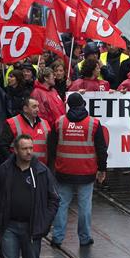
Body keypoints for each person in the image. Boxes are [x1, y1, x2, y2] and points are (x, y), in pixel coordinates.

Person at [0, 134, 60, 258]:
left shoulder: (41, 171)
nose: (29, 152)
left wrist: (45, 221)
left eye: (31, 148)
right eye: (24, 149)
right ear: (15, 150)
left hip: (33, 228)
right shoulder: (4, 171)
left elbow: (54, 199)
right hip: (9, 227)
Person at [48, 93, 108, 247]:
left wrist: (54, 166)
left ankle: (57, 237)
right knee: (85, 206)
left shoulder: (59, 122)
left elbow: (51, 147)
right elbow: (101, 149)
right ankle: (85, 237)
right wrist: (102, 169)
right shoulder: (93, 123)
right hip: (86, 172)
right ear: (83, 104)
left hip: (64, 171)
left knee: (61, 204)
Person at [0, 97, 51, 165]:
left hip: (40, 168)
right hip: (18, 168)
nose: (37, 109)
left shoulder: (45, 124)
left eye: (38, 106)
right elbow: (2, 146)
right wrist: (13, 163)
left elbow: (50, 148)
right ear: (25, 109)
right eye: (34, 107)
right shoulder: (12, 123)